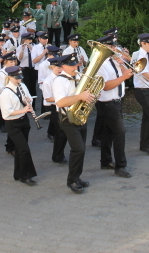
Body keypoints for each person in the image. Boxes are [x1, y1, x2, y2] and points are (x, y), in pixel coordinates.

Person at [52, 53, 95, 193]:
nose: (75, 68)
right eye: (71, 66)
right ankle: (72, 181)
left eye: (75, 65)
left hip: (80, 116)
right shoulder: (59, 81)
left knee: (81, 149)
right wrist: (80, 96)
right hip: (67, 119)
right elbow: (60, 102)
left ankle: (77, 177)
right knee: (78, 149)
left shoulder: (78, 78)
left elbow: (83, 96)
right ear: (63, 66)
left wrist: (91, 96)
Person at [95, 35, 133, 178]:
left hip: (116, 101)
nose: (115, 49)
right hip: (107, 103)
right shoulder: (101, 64)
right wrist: (124, 77)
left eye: (115, 46)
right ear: (104, 47)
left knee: (108, 132)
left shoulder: (114, 60)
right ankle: (120, 166)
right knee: (120, 132)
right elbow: (105, 86)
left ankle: (105, 161)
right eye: (112, 47)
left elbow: (126, 72)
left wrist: (122, 62)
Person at [0, 66, 38, 185]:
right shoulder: (6, 93)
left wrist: (28, 101)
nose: (19, 80)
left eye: (20, 77)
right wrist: (23, 110)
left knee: (20, 149)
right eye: (16, 78)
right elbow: (6, 113)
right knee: (24, 149)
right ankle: (26, 175)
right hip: (13, 124)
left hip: (24, 121)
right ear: (10, 77)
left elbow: (29, 98)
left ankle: (18, 174)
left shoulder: (22, 86)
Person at [0, 52, 20, 155]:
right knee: (10, 122)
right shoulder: (2, 74)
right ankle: (10, 146)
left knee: (15, 123)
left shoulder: (15, 71)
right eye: (11, 62)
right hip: (5, 99)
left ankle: (12, 145)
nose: (13, 64)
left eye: (14, 61)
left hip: (15, 99)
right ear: (5, 62)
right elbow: (1, 89)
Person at [17, 32, 38, 99]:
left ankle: (33, 102)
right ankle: (28, 101)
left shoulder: (35, 46)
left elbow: (37, 56)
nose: (29, 41)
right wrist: (22, 50)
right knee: (27, 85)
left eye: (30, 39)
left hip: (33, 68)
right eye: (28, 39)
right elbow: (19, 59)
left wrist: (31, 48)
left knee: (33, 86)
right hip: (24, 68)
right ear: (24, 40)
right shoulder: (20, 47)